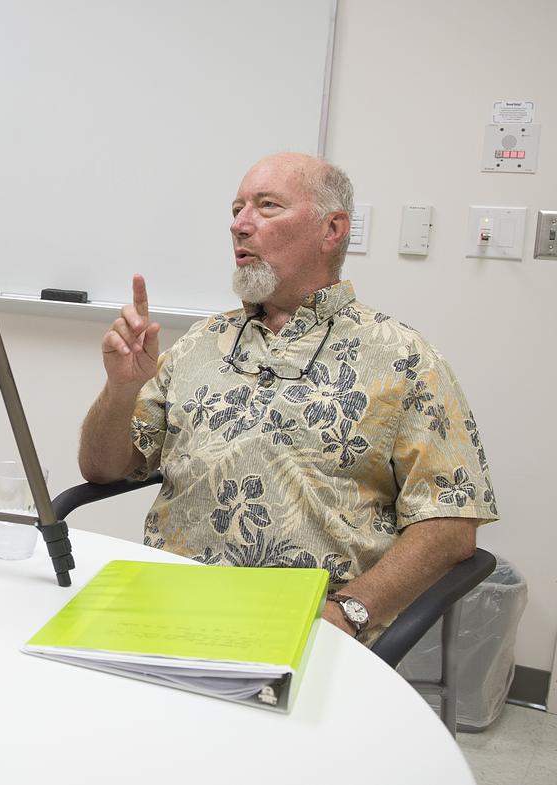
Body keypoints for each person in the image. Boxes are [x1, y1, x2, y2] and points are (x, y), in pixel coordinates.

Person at [78, 152, 498, 641]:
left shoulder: (402, 357)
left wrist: (349, 613)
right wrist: (121, 387)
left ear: (331, 229)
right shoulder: (198, 343)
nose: (240, 225)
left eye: (267, 206)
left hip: (307, 620)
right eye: (236, 210)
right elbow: (102, 468)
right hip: (170, 601)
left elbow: (450, 525)